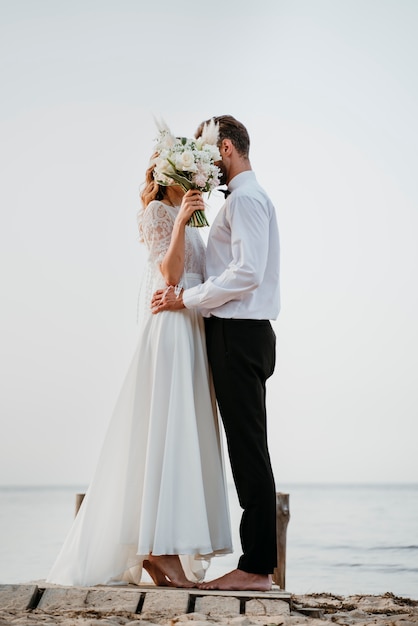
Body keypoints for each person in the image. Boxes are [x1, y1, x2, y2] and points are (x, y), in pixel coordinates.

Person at [47, 154, 232, 588]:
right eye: (187, 172)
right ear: (170, 172)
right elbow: (168, 273)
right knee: (166, 429)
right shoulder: (157, 212)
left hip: (193, 326)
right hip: (170, 329)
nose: (194, 180)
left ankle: (164, 549)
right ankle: (159, 550)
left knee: (184, 431)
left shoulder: (195, 216)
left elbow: (200, 277)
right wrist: (183, 219)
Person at [151, 115, 280, 591]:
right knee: (250, 451)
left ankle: (256, 569)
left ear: (226, 148)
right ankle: (256, 565)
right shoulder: (245, 199)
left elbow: (247, 272)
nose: (205, 162)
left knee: (249, 454)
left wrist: (187, 297)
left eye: (208, 152)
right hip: (242, 334)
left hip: (239, 334)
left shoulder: (245, 199)